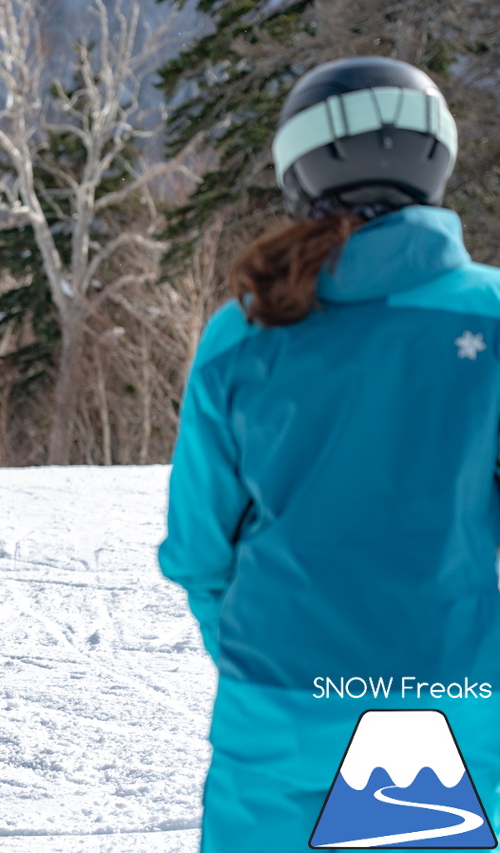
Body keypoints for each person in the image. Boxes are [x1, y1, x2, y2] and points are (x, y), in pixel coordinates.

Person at [159, 57, 500, 850]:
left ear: (300, 165)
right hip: (450, 685)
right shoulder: (491, 317)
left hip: (281, 694)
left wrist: (263, 653)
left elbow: (199, 549)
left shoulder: (245, 333)